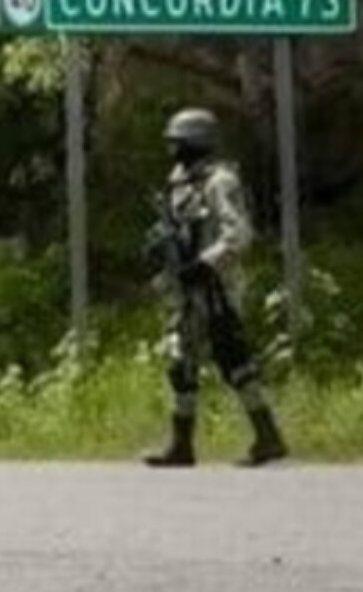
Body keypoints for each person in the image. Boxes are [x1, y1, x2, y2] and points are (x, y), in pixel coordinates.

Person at [142, 107, 288, 468]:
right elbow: (178, 230)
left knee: (233, 359)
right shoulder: (179, 182)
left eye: (178, 143)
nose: (172, 150)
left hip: (216, 286)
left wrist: (207, 263)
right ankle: (181, 445)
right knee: (180, 362)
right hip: (185, 288)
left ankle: (268, 437)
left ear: (196, 143)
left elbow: (238, 235)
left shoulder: (220, 181)